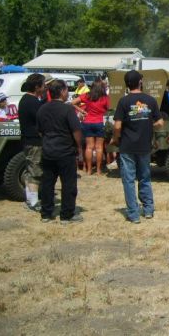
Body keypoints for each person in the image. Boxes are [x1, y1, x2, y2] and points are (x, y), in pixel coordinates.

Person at [110, 70, 163, 224]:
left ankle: (133, 215)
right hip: (144, 146)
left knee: (128, 180)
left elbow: (118, 126)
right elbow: (160, 123)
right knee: (145, 178)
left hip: (127, 146)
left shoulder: (123, 101)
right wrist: (147, 124)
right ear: (140, 81)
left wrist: (114, 138)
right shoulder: (150, 100)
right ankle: (148, 210)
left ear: (127, 84)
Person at [36, 80, 84, 224]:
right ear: (62, 91)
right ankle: (67, 214)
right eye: (66, 90)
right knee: (68, 183)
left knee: (47, 183)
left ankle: (46, 213)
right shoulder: (67, 109)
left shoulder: (42, 109)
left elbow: (39, 131)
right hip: (65, 151)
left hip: (48, 150)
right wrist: (79, 146)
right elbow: (76, 130)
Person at [18, 73, 50, 211]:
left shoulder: (26, 100)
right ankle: (33, 202)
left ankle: (31, 199)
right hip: (34, 142)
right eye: (43, 85)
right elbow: (41, 120)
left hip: (29, 140)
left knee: (31, 169)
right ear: (37, 87)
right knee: (35, 172)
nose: (45, 87)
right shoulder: (31, 102)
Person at [71, 79, 110, 175]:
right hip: (100, 122)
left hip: (87, 122)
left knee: (89, 147)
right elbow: (109, 108)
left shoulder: (87, 95)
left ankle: (88, 170)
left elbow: (73, 103)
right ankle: (98, 170)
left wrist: (82, 111)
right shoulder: (105, 97)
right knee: (99, 147)